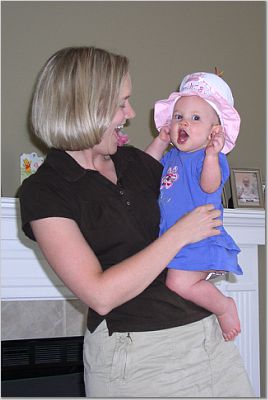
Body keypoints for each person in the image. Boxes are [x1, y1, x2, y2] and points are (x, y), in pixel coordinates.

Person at [19, 48, 254, 397]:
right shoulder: (45, 191)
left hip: (208, 341)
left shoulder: (132, 161)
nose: (130, 114)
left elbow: (193, 192)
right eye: (121, 103)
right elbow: (99, 295)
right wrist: (179, 236)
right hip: (139, 357)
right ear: (86, 106)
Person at [146, 72, 242, 341]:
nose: (184, 122)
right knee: (166, 285)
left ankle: (224, 307)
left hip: (199, 238)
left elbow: (210, 186)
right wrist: (160, 140)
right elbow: (144, 170)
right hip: (173, 239)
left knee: (178, 283)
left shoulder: (210, 157)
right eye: (178, 117)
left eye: (195, 118)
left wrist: (212, 155)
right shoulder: (171, 156)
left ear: (214, 132)